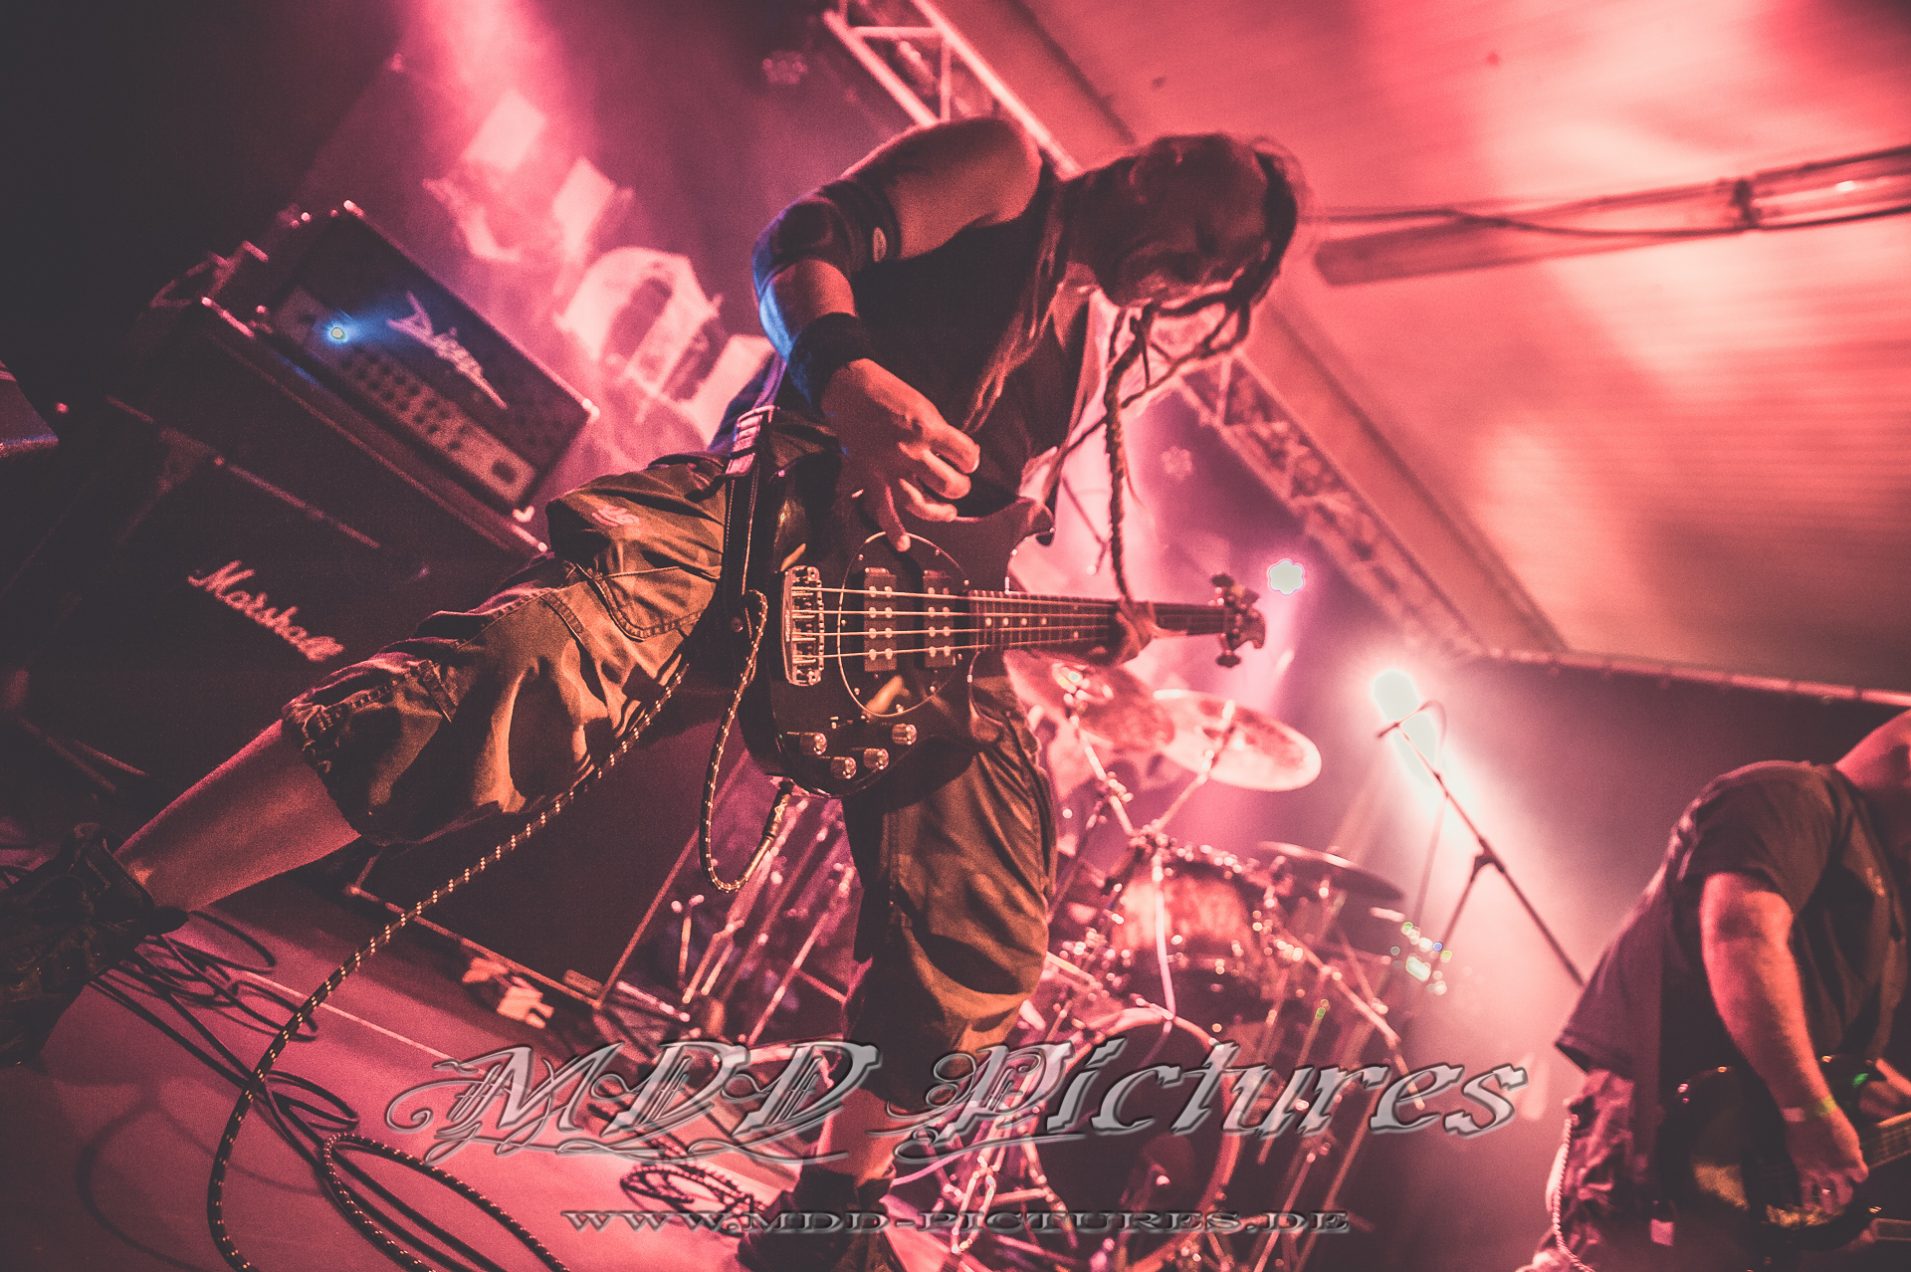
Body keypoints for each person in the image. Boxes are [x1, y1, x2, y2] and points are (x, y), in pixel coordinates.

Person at [0, 117, 1302, 1269]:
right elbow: (807, 237)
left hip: (879, 625)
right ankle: (81, 906)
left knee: (988, 900)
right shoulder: (1006, 171)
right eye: (1201, 239)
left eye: (1214, 275)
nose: (1191, 276)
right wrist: (848, 374)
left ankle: (829, 1216)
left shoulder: (1074, 348)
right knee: (508, 673)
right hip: (756, 520)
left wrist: (1069, 630)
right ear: (1160, 164)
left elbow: (947, 535)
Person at [1519, 710, 1911, 1271]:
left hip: (1736, 1173)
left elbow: (1835, 1055)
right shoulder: (1793, 795)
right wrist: (1810, 1111)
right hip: (1668, 1134)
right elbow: (1741, 936)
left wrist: (1859, 1119)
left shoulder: (1877, 876)